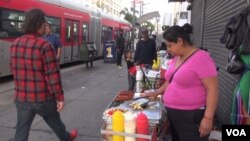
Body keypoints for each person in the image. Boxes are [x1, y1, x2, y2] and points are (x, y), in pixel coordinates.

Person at [142, 23, 219, 141]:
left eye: (169, 46)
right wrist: (156, 92)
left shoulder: (201, 58)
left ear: (179, 41)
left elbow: (212, 89)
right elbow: (171, 80)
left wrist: (208, 118)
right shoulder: (177, 57)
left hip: (191, 117)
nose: (167, 49)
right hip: (174, 116)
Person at [10, 8, 77, 141]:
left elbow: (15, 70)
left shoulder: (15, 44)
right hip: (43, 98)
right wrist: (60, 97)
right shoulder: (45, 46)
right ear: (39, 24)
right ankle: (67, 138)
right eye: (44, 22)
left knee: (21, 132)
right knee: (55, 122)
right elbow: (53, 75)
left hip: (22, 98)